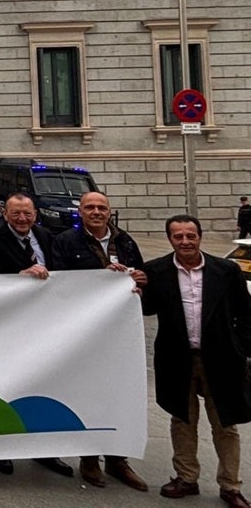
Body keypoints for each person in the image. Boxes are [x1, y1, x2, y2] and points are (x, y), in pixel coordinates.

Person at [143, 214, 251, 508]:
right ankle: (186, 478)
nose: (185, 241)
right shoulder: (156, 270)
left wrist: (241, 348)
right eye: (178, 236)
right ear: (170, 239)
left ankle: (230, 485)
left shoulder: (226, 270)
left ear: (199, 236)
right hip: (177, 359)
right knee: (182, 420)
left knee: (225, 424)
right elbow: (146, 307)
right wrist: (133, 283)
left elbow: (245, 313)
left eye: (190, 236)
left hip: (222, 359)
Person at [49, 190, 148, 490]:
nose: (96, 212)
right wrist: (101, 277)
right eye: (89, 207)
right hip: (84, 332)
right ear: (79, 212)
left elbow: (142, 276)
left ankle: (118, 459)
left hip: (120, 331)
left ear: (109, 211)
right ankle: (90, 458)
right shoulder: (66, 242)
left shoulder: (125, 241)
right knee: (88, 392)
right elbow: (59, 282)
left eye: (101, 207)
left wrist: (141, 280)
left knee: (121, 392)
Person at [0, 193, 73, 478]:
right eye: (16, 214)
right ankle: (2, 451)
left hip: (45, 326)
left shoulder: (45, 236)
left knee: (45, 386)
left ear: (35, 215)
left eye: (27, 214)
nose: (22, 219)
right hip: (10, 327)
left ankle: (45, 449)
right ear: (5, 214)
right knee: (6, 388)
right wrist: (17, 277)